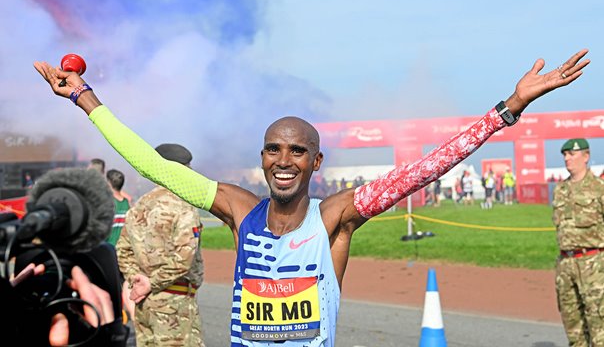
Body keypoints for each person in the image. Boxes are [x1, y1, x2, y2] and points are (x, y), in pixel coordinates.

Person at [35, 49, 589, 346]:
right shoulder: (236, 208)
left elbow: (425, 169)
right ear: (262, 157)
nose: (283, 160)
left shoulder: (336, 218)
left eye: (297, 151)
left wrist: (506, 110)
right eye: (273, 149)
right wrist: (85, 97)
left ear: (315, 162)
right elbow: (150, 163)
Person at [116, 143, 206, 347]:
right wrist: (151, 282)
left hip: (144, 303)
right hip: (175, 304)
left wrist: (136, 280)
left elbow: (123, 250)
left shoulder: (139, 206)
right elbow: (183, 258)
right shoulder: (183, 207)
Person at [553, 138, 604, 346]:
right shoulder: (560, 190)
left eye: (572, 154)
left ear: (586, 156)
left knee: (599, 327)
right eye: (565, 155)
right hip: (566, 264)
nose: (567, 159)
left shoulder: (599, 188)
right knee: (573, 329)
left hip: (593, 264)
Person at [106, 169, 130, 246]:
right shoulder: (127, 204)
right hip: (121, 248)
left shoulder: (108, 203)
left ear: (109, 184)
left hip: (108, 248)